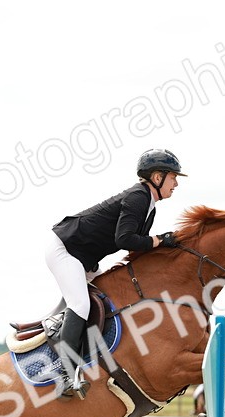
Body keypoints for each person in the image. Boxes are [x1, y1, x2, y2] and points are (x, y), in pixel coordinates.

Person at [46, 148, 186, 398]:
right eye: (173, 177)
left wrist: (162, 245)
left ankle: (60, 330)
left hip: (83, 257)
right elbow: (125, 239)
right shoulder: (138, 198)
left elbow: (138, 242)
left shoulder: (149, 205)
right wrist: (161, 241)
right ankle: (63, 373)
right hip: (65, 250)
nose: (176, 184)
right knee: (80, 304)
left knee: (101, 297)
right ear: (157, 177)